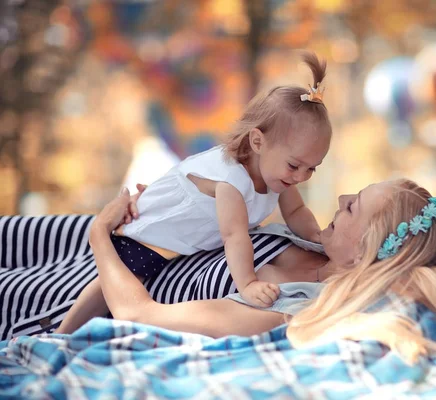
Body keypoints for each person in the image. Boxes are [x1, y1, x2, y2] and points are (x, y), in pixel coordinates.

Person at [87, 178, 436, 376]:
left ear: (364, 250)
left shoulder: (295, 303)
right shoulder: (309, 241)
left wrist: (98, 232)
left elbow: (137, 313)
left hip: (102, 279)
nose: (340, 200)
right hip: (146, 245)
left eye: (354, 206)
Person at [55, 52, 331, 334]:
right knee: (119, 281)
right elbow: (235, 237)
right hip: (154, 232)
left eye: (312, 169)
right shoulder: (231, 183)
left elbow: (296, 212)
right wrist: (247, 284)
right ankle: (63, 331)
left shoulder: (278, 176)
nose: (301, 177)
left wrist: (314, 235)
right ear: (258, 142)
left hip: (187, 240)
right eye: (295, 165)